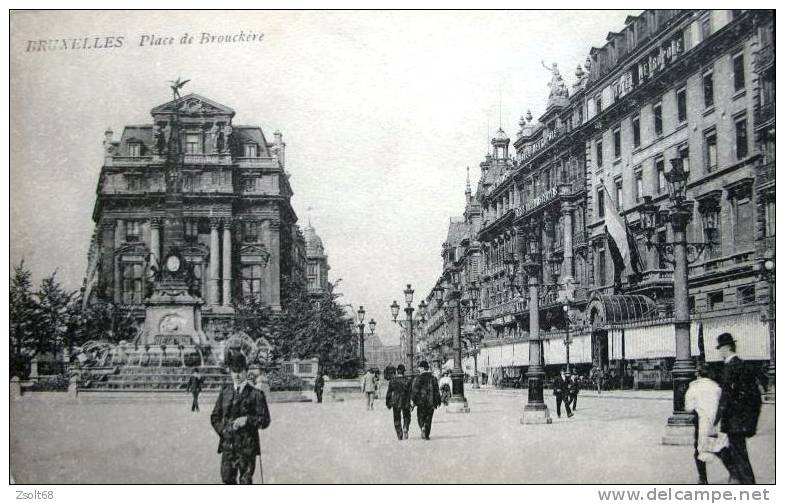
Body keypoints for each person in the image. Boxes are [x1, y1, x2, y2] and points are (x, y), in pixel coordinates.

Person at [211, 351, 271, 484]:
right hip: (228, 445)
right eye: (234, 371)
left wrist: (248, 420)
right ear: (230, 372)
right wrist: (223, 431)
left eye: (240, 371)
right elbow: (214, 416)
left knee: (245, 481)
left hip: (247, 446)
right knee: (227, 479)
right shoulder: (225, 392)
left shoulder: (256, 394)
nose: (237, 375)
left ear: (246, 372)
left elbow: (265, 420)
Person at [715, 332, 762, 484]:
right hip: (743, 420)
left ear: (726, 348)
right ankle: (741, 481)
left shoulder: (730, 366)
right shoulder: (743, 364)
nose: (720, 352)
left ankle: (749, 486)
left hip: (734, 421)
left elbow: (726, 396)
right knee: (738, 453)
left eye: (720, 348)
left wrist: (716, 418)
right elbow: (755, 396)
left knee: (739, 455)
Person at [685, 364, 726, 484]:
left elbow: (689, 408)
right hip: (716, 422)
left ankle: (703, 479)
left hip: (701, 421)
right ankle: (734, 472)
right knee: (719, 447)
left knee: (699, 449)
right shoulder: (716, 387)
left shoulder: (693, 388)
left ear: (698, 374)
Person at [410, 360, 441, 440]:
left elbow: (415, 390)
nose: (418, 369)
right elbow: (436, 390)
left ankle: (422, 427)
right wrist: (438, 401)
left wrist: (413, 400)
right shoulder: (433, 378)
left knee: (420, 417)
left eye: (419, 368)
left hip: (421, 402)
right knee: (429, 418)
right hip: (431, 402)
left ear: (423, 368)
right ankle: (426, 434)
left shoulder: (418, 378)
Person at [386, 364, 412, 440]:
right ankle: (405, 427)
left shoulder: (393, 380)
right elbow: (410, 392)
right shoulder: (407, 380)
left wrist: (388, 402)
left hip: (396, 401)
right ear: (404, 372)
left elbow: (389, 392)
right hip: (405, 400)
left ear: (397, 371)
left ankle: (399, 434)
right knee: (407, 416)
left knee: (396, 418)